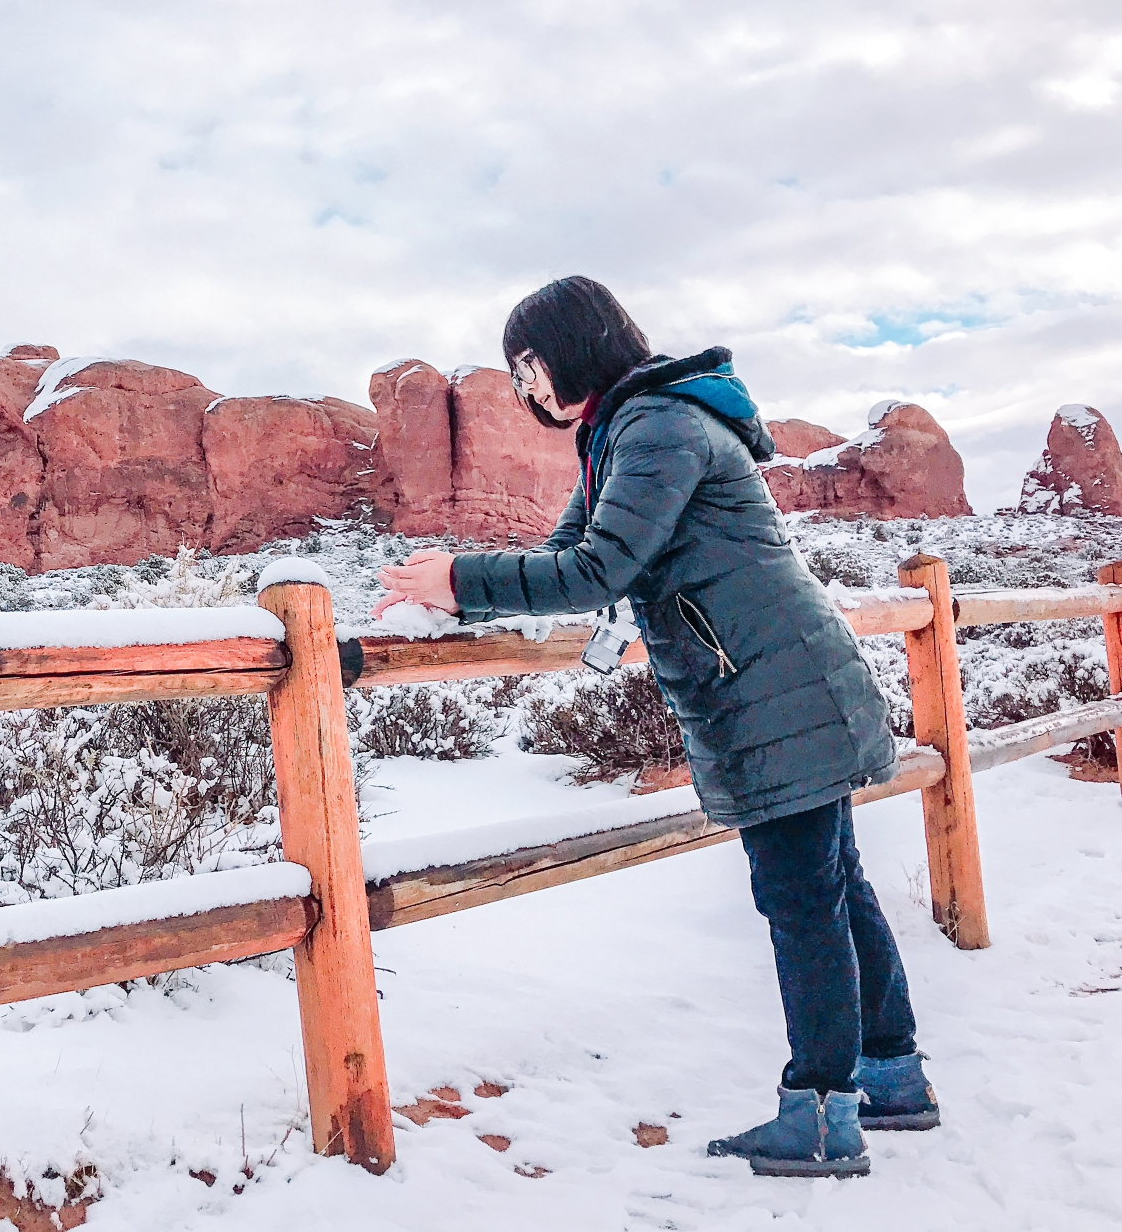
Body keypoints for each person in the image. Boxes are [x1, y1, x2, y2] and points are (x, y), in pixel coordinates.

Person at [373, 276, 939, 1179]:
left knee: (802, 902)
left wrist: (461, 580)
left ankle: (823, 1116)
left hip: (774, 691)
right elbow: (566, 554)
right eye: (514, 373)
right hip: (775, 684)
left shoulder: (659, 426)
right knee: (833, 885)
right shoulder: (622, 432)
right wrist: (451, 599)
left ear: (573, 350)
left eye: (530, 365)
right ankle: (894, 1076)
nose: (524, 388)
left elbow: (599, 569)